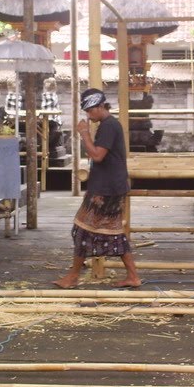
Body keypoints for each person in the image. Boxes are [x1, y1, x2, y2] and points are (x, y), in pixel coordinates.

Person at [52, 88, 140, 289]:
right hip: (110, 186)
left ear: (101, 106)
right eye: (87, 111)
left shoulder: (109, 126)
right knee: (113, 232)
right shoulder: (108, 124)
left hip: (106, 189)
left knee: (82, 230)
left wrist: (84, 133)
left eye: (91, 111)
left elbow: (98, 156)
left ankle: (73, 277)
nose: (89, 115)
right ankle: (133, 276)